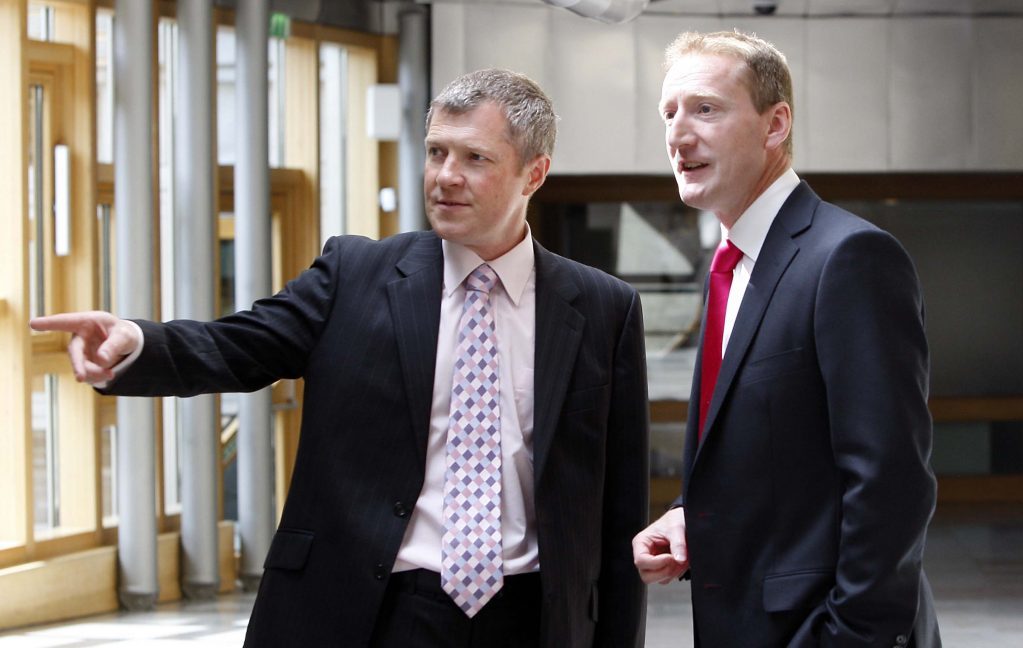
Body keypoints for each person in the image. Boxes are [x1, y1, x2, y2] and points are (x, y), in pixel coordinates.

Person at [31, 69, 649, 648]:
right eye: (436, 152)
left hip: (532, 616)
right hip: (370, 607)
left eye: (475, 158)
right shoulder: (356, 273)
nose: (445, 176)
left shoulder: (602, 308)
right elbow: (239, 345)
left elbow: (619, 502)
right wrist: (138, 345)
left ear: (534, 174)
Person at [631, 31, 941, 647]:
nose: (678, 133)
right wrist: (690, 514)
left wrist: (850, 634)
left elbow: (890, 481)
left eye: (706, 109)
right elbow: (772, 453)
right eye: (669, 113)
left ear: (776, 126)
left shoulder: (849, 257)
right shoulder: (732, 265)